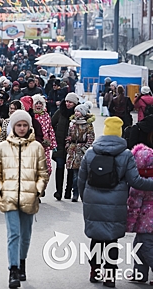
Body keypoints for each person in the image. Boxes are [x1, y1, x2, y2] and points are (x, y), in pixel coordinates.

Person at [78, 117, 153, 287]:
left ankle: (94, 270)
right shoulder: (126, 155)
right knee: (111, 239)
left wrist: (86, 199)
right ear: (119, 133)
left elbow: (81, 180)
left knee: (96, 238)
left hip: (92, 200)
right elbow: (136, 181)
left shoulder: (90, 152)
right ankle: (109, 276)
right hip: (116, 203)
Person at [0, 110, 49, 289]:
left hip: (29, 198)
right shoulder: (2, 148)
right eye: (18, 125)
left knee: (26, 235)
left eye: (24, 125)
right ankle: (13, 269)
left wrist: (37, 191)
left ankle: (22, 262)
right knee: (13, 234)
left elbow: (43, 174)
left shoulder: (36, 147)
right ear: (12, 126)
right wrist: (0, 191)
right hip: (9, 198)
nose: (22, 128)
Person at [127, 144, 153, 285]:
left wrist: (129, 223)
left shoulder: (140, 183)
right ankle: (139, 273)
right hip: (149, 221)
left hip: (146, 220)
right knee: (139, 245)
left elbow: (134, 204)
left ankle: (140, 273)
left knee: (145, 246)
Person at [65, 102, 95, 202]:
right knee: (73, 172)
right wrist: (68, 143)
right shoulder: (72, 123)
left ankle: (79, 192)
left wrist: (85, 148)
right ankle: (75, 192)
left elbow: (91, 138)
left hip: (81, 150)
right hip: (72, 149)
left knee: (79, 173)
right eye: (76, 111)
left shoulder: (88, 124)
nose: (77, 113)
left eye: (79, 111)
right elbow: (69, 135)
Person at [52, 92, 78, 201]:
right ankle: (58, 191)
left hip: (72, 146)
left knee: (71, 169)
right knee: (60, 167)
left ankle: (68, 191)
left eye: (70, 102)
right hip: (60, 145)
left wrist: (73, 138)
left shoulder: (78, 114)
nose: (68, 104)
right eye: (67, 101)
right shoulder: (60, 112)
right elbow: (51, 124)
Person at [32, 94, 57, 176]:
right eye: (37, 103)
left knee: (47, 168)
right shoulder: (31, 116)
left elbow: (50, 129)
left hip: (44, 145)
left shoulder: (46, 115)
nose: (38, 105)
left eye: (40, 103)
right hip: (33, 145)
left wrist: (53, 143)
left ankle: (43, 186)